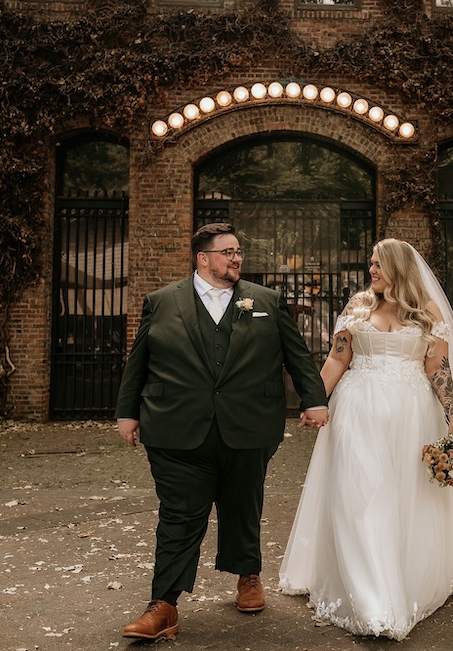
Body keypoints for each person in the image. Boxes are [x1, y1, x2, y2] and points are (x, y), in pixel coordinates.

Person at [115, 222, 329, 640]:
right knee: (178, 515)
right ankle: (164, 605)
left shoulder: (266, 300)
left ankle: (248, 574)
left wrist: (314, 399)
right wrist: (128, 411)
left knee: (242, 503)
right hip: (176, 428)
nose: (236, 258)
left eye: (238, 252)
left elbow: (296, 354)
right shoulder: (161, 302)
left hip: (249, 425)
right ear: (203, 258)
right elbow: (139, 359)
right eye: (227, 252)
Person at [279, 238, 453, 641]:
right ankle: (372, 600)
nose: (372, 270)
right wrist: (315, 402)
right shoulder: (358, 306)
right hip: (357, 411)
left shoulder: (428, 313)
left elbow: (436, 369)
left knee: (401, 497)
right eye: (370, 263)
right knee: (359, 495)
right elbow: (337, 358)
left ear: (399, 268)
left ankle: (400, 580)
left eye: (379, 264)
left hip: (411, 416)